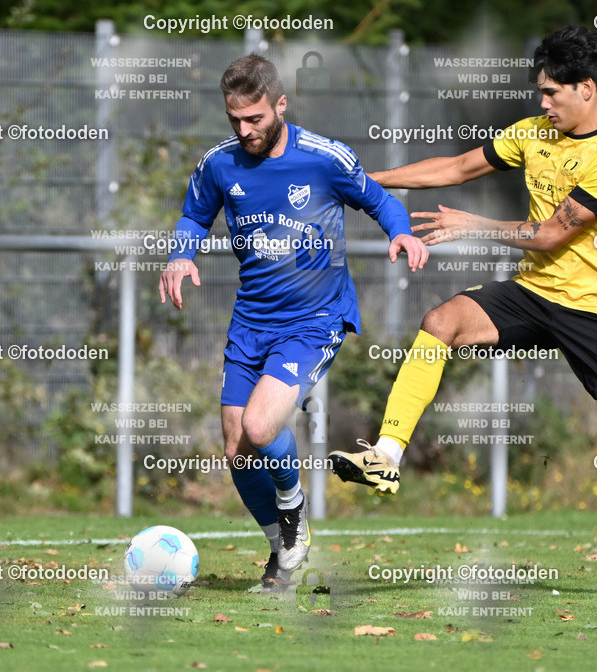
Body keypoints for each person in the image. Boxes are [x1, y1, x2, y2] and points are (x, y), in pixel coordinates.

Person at [329, 25, 597, 571]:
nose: (541, 103)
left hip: (596, 313)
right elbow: (456, 168)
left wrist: (473, 224)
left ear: (587, 89)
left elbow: (549, 234)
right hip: (532, 293)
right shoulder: (531, 133)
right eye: (540, 92)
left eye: (551, 92)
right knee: (441, 321)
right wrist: (362, 181)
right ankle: (386, 455)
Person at [159, 54, 428, 589]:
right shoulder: (220, 163)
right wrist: (181, 253)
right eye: (235, 119)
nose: (245, 130)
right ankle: (284, 548)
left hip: (314, 319)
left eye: (255, 118)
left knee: (261, 428)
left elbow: (378, 200)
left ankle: (294, 508)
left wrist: (400, 231)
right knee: (236, 446)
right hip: (250, 321)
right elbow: (194, 214)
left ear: (280, 105)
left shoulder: (324, 158)